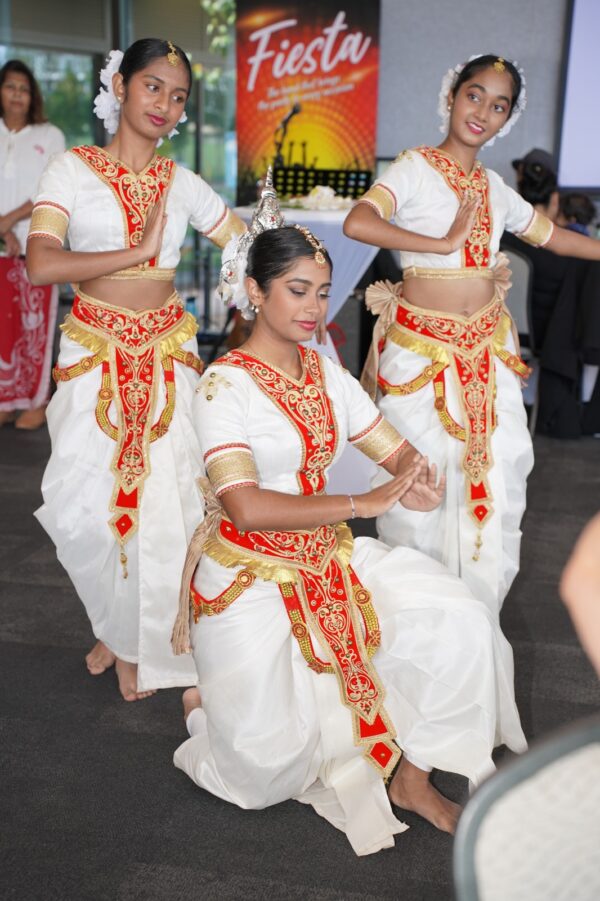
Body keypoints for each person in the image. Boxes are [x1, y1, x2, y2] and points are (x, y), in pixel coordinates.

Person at [170, 191, 527, 856]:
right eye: (297, 290)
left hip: (328, 557)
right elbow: (245, 505)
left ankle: (412, 779)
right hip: (245, 574)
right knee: (258, 776)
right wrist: (365, 505)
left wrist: (418, 476)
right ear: (254, 289)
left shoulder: (327, 376)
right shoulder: (222, 386)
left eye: (324, 291)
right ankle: (201, 705)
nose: (313, 307)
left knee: (462, 619)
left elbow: (392, 449)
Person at [26, 39, 245, 700]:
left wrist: (263, 266)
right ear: (119, 86)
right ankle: (115, 625)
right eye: (153, 87)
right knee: (87, 508)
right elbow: (41, 262)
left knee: (170, 504)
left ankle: (140, 645)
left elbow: (240, 240)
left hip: (167, 358)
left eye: (178, 96)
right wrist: (138, 249)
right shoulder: (70, 169)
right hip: (93, 359)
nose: (165, 105)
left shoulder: (181, 182)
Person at [343, 54, 600, 615]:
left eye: (499, 105)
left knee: (498, 480)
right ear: (452, 96)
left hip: (489, 352)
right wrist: (442, 243)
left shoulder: (492, 185)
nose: (483, 111)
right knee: (422, 485)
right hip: (421, 355)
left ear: (508, 119)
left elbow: (551, 236)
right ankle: (423, 620)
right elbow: (357, 222)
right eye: (475, 95)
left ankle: (476, 620)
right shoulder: (413, 167)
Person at [0, 60, 65, 429]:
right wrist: (1, 228)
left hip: (36, 249)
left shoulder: (48, 135)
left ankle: (37, 402)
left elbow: (48, 188)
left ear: (33, 95)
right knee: (3, 333)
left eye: (24, 89)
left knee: (34, 330)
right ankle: (6, 400)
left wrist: (11, 221)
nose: (17, 95)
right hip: (2, 247)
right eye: (10, 87)